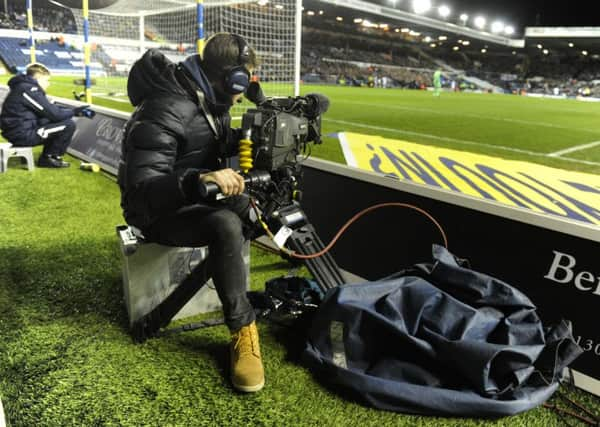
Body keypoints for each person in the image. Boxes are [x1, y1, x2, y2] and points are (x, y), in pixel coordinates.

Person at [118, 33, 264, 392]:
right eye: (241, 82)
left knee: (255, 214)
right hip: (154, 210)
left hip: (192, 194)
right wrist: (198, 180)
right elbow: (141, 190)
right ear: (229, 77)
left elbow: (203, 141)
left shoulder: (204, 97)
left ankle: (167, 313)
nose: (241, 93)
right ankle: (242, 330)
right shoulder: (166, 107)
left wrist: (258, 132)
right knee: (227, 225)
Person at [0, 63, 95, 168]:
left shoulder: (23, 87)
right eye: (47, 80)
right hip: (21, 134)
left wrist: (71, 111)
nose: (48, 84)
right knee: (68, 125)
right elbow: (55, 115)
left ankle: (50, 157)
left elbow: (49, 110)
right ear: (38, 78)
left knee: (51, 121)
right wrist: (75, 112)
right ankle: (48, 158)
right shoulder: (29, 90)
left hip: (19, 129)